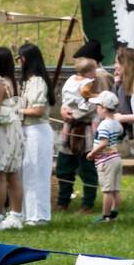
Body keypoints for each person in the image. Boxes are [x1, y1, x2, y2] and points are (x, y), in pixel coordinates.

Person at [56, 55, 104, 215]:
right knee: (64, 168)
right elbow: (66, 99)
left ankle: (87, 205)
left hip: (86, 130)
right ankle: (63, 202)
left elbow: (92, 105)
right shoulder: (72, 82)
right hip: (68, 130)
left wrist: (74, 114)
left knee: (88, 169)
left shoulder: (93, 84)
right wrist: (64, 110)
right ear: (89, 71)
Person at [17, 42, 55, 226]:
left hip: (37, 130)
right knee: (28, 172)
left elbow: (38, 110)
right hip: (28, 131)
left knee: (37, 172)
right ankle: (28, 213)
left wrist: (16, 111)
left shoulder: (38, 82)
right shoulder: (28, 82)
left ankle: (39, 215)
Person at [0, 47, 23, 230]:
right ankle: (16, 214)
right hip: (15, 130)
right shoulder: (13, 81)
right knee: (13, 174)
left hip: (1, 131)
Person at [86, 90, 124, 222]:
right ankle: (113, 214)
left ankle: (105, 216)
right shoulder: (116, 123)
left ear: (103, 108)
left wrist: (92, 153)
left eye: (97, 106)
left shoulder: (103, 125)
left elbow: (104, 142)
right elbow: (120, 133)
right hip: (116, 159)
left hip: (106, 161)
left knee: (107, 191)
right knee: (115, 190)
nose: (96, 109)